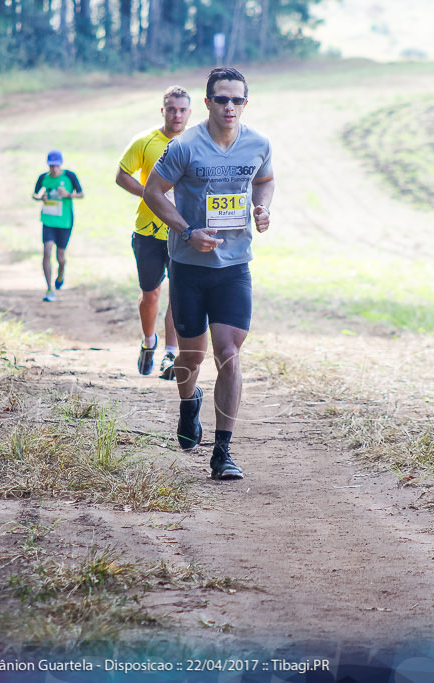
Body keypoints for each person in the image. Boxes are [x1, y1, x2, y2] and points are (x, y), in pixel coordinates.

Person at [142, 67, 274, 481]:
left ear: (245, 104)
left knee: (230, 355)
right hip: (188, 266)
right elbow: (152, 191)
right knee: (191, 357)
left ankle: (222, 452)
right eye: (222, 99)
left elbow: (265, 180)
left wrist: (263, 208)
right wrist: (186, 230)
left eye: (237, 100)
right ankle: (188, 402)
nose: (230, 106)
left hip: (235, 267)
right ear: (208, 103)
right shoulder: (185, 146)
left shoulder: (259, 144)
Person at [116, 85, 191, 379]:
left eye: (182, 109)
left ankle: (170, 355)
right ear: (163, 111)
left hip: (182, 232)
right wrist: (150, 194)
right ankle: (149, 342)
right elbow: (121, 175)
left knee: (179, 295)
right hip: (147, 232)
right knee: (150, 294)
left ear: (190, 112)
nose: (177, 115)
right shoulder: (145, 142)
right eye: (171, 109)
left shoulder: (196, 142)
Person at [32, 150, 83, 302]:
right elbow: (34, 194)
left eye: (56, 165)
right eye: (51, 165)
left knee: (60, 257)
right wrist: (41, 197)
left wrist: (68, 194)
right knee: (46, 251)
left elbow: (81, 194)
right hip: (48, 220)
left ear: (60, 164)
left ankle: (61, 274)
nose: (54, 168)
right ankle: (49, 289)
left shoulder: (69, 176)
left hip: (65, 221)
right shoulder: (43, 178)